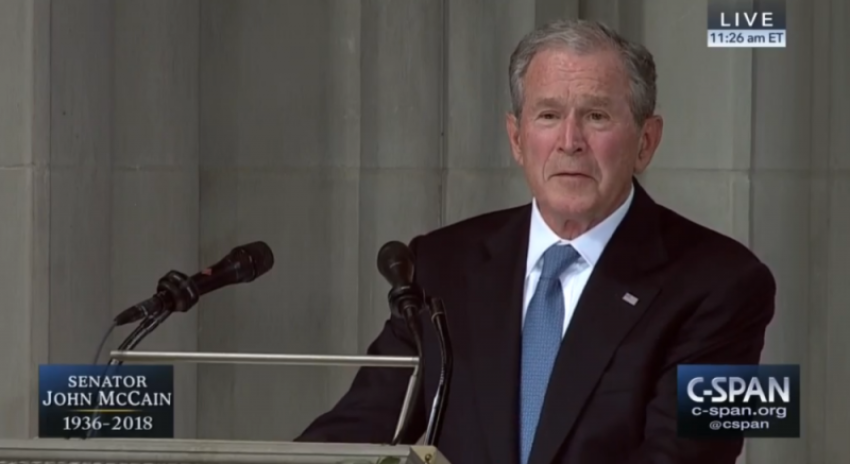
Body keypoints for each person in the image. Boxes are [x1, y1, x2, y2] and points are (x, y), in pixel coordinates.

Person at [295, 18, 776, 464]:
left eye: (596, 116)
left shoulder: (729, 283)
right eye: (547, 115)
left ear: (646, 142)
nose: (570, 141)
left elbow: (688, 458)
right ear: (517, 139)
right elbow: (354, 432)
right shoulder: (440, 265)